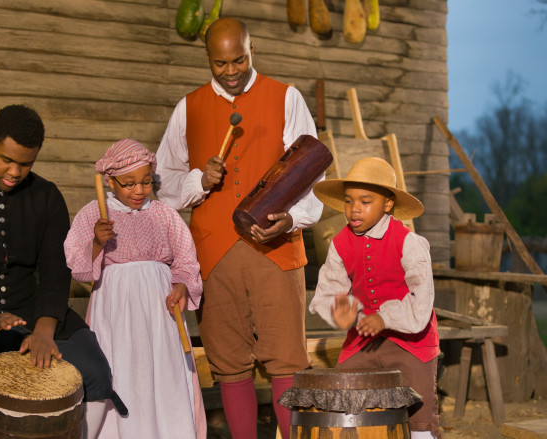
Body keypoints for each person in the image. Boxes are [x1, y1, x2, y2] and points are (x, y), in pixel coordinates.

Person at [155, 17, 323, 439]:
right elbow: (161, 186)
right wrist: (197, 180)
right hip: (212, 254)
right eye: (220, 63)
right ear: (207, 59)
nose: (230, 71)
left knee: (287, 357)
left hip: (276, 249)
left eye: (239, 60)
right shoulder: (187, 109)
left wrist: (292, 219)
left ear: (253, 49)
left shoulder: (286, 98)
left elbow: (313, 177)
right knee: (229, 363)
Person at [0, 104, 124, 439]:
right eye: (7, 160)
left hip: (36, 313)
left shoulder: (47, 196)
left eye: (26, 163)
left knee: (95, 373)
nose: (15, 171)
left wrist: (44, 330)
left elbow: (55, 268)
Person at [64, 139, 206, 438]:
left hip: (159, 308)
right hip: (115, 307)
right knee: (120, 368)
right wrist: (97, 242)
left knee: (163, 369)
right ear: (110, 181)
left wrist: (180, 285)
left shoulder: (164, 214)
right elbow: (77, 265)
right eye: (129, 184)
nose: (139, 191)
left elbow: (185, 258)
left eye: (145, 182)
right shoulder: (93, 214)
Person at [309, 156, 441, 439]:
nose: (354, 209)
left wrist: (385, 317)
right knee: (344, 409)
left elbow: (422, 298)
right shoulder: (340, 243)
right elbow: (330, 289)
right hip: (362, 343)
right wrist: (339, 309)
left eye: (365, 201)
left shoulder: (409, 243)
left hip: (411, 344)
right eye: (348, 201)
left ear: (388, 204)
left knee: (418, 421)